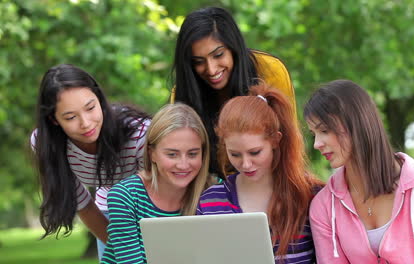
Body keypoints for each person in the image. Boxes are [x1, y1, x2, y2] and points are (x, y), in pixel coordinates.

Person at [304, 80, 414, 263]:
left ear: (357, 123)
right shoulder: (323, 207)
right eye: (314, 134)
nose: (317, 144)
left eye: (324, 130)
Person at [31, 64, 150, 259]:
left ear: (100, 100)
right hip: (109, 212)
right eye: (70, 117)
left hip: (152, 209)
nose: (86, 123)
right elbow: (83, 205)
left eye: (90, 108)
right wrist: (120, 250)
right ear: (54, 119)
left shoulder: (140, 134)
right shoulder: (45, 144)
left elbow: (157, 197)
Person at [197, 85, 322, 263]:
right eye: (235, 154)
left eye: (255, 152)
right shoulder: (210, 201)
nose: (246, 164)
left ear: (275, 141)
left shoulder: (311, 196)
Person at [171, 6, 296, 176]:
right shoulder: (183, 94)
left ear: (233, 48)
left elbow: (289, 145)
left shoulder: (270, 71)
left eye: (218, 55)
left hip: (272, 181)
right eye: (198, 61)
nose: (211, 69)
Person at [100, 103, 211, 264]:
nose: (183, 164)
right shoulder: (125, 196)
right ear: (152, 154)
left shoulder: (213, 192)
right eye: (172, 154)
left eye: (193, 154)